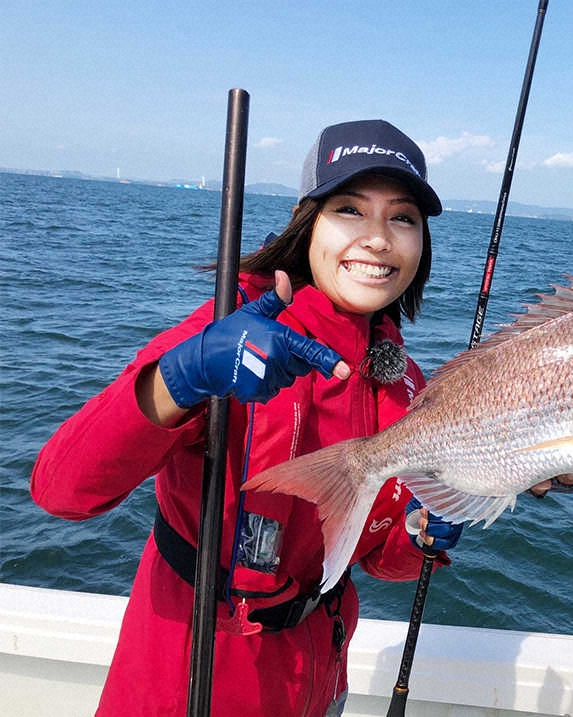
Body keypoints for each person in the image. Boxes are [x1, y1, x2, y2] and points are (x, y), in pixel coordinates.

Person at [31, 119, 463, 717]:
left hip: (319, 671)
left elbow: (372, 555)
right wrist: (181, 377)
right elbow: (61, 490)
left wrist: (418, 536)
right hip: (190, 673)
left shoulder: (403, 381)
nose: (379, 239)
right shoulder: (229, 331)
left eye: (403, 217)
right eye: (349, 209)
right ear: (306, 222)